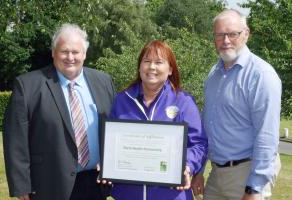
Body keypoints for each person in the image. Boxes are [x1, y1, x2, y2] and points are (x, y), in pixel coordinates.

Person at [3, 23, 115, 200]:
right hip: (49, 183)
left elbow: (114, 126)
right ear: (53, 52)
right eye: (64, 51)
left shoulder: (103, 81)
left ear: (84, 54)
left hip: (96, 183)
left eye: (76, 52)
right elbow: (16, 139)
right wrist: (21, 184)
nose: (70, 57)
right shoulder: (27, 86)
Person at [108, 40, 208, 200]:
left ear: (170, 69)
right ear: (139, 67)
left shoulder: (183, 102)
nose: (152, 67)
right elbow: (111, 143)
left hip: (172, 194)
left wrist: (186, 166)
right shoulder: (121, 100)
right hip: (128, 194)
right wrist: (107, 162)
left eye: (158, 62)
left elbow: (199, 143)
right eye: (146, 61)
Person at [201, 9, 282, 200]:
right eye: (220, 35)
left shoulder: (261, 76)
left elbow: (267, 135)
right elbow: (208, 126)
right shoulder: (214, 74)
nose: (226, 40)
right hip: (216, 173)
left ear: (246, 34)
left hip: (246, 173)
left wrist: (254, 188)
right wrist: (199, 170)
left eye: (232, 34)